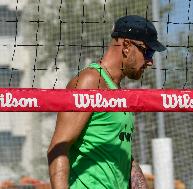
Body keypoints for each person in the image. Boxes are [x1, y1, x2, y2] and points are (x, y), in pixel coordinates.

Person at [47, 15, 166, 189]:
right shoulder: (89, 81)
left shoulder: (117, 90)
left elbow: (120, 153)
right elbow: (58, 148)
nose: (150, 61)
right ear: (126, 46)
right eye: (148, 51)